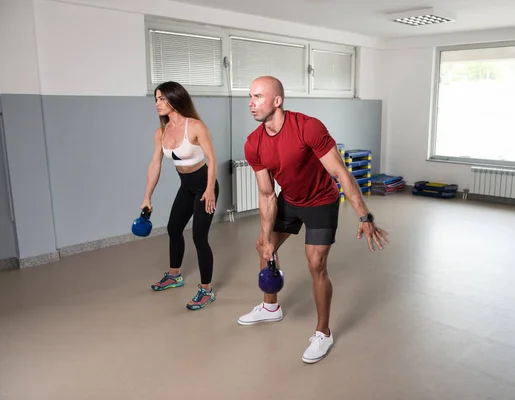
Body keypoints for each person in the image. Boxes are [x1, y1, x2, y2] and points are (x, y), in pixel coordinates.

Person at [237, 76, 389, 364]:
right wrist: (267, 236)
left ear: (277, 101)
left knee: (316, 263)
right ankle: (271, 308)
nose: (251, 102)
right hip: (290, 201)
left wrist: (364, 215)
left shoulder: (307, 127)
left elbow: (342, 173)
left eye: (258, 96)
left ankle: (323, 333)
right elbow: (267, 194)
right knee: (263, 244)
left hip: (321, 201)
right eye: (250, 96)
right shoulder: (253, 144)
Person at [141, 81, 220, 311]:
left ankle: (206, 290)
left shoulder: (195, 126)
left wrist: (209, 190)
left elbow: (212, 159)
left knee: (199, 236)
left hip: (205, 185)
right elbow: (155, 164)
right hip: (186, 186)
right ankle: (174, 276)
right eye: (156, 99)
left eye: (162, 99)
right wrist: (147, 196)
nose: (157, 103)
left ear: (175, 99)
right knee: (173, 228)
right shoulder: (161, 133)